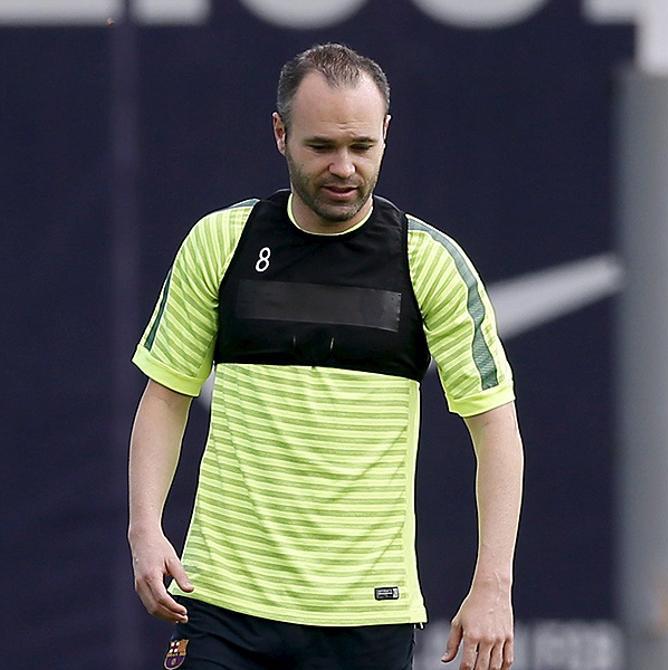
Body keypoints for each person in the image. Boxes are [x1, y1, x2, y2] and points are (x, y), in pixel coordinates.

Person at [127, 43, 523, 670]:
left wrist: (493, 584)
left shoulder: (429, 263)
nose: (344, 167)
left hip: (368, 615)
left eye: (361, 147)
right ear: (280, 134)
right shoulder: (220, 242)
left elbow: (495, 427)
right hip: (222, 604)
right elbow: (165, 397)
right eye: (322, 148)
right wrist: (145, 530)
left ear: (386, 136)